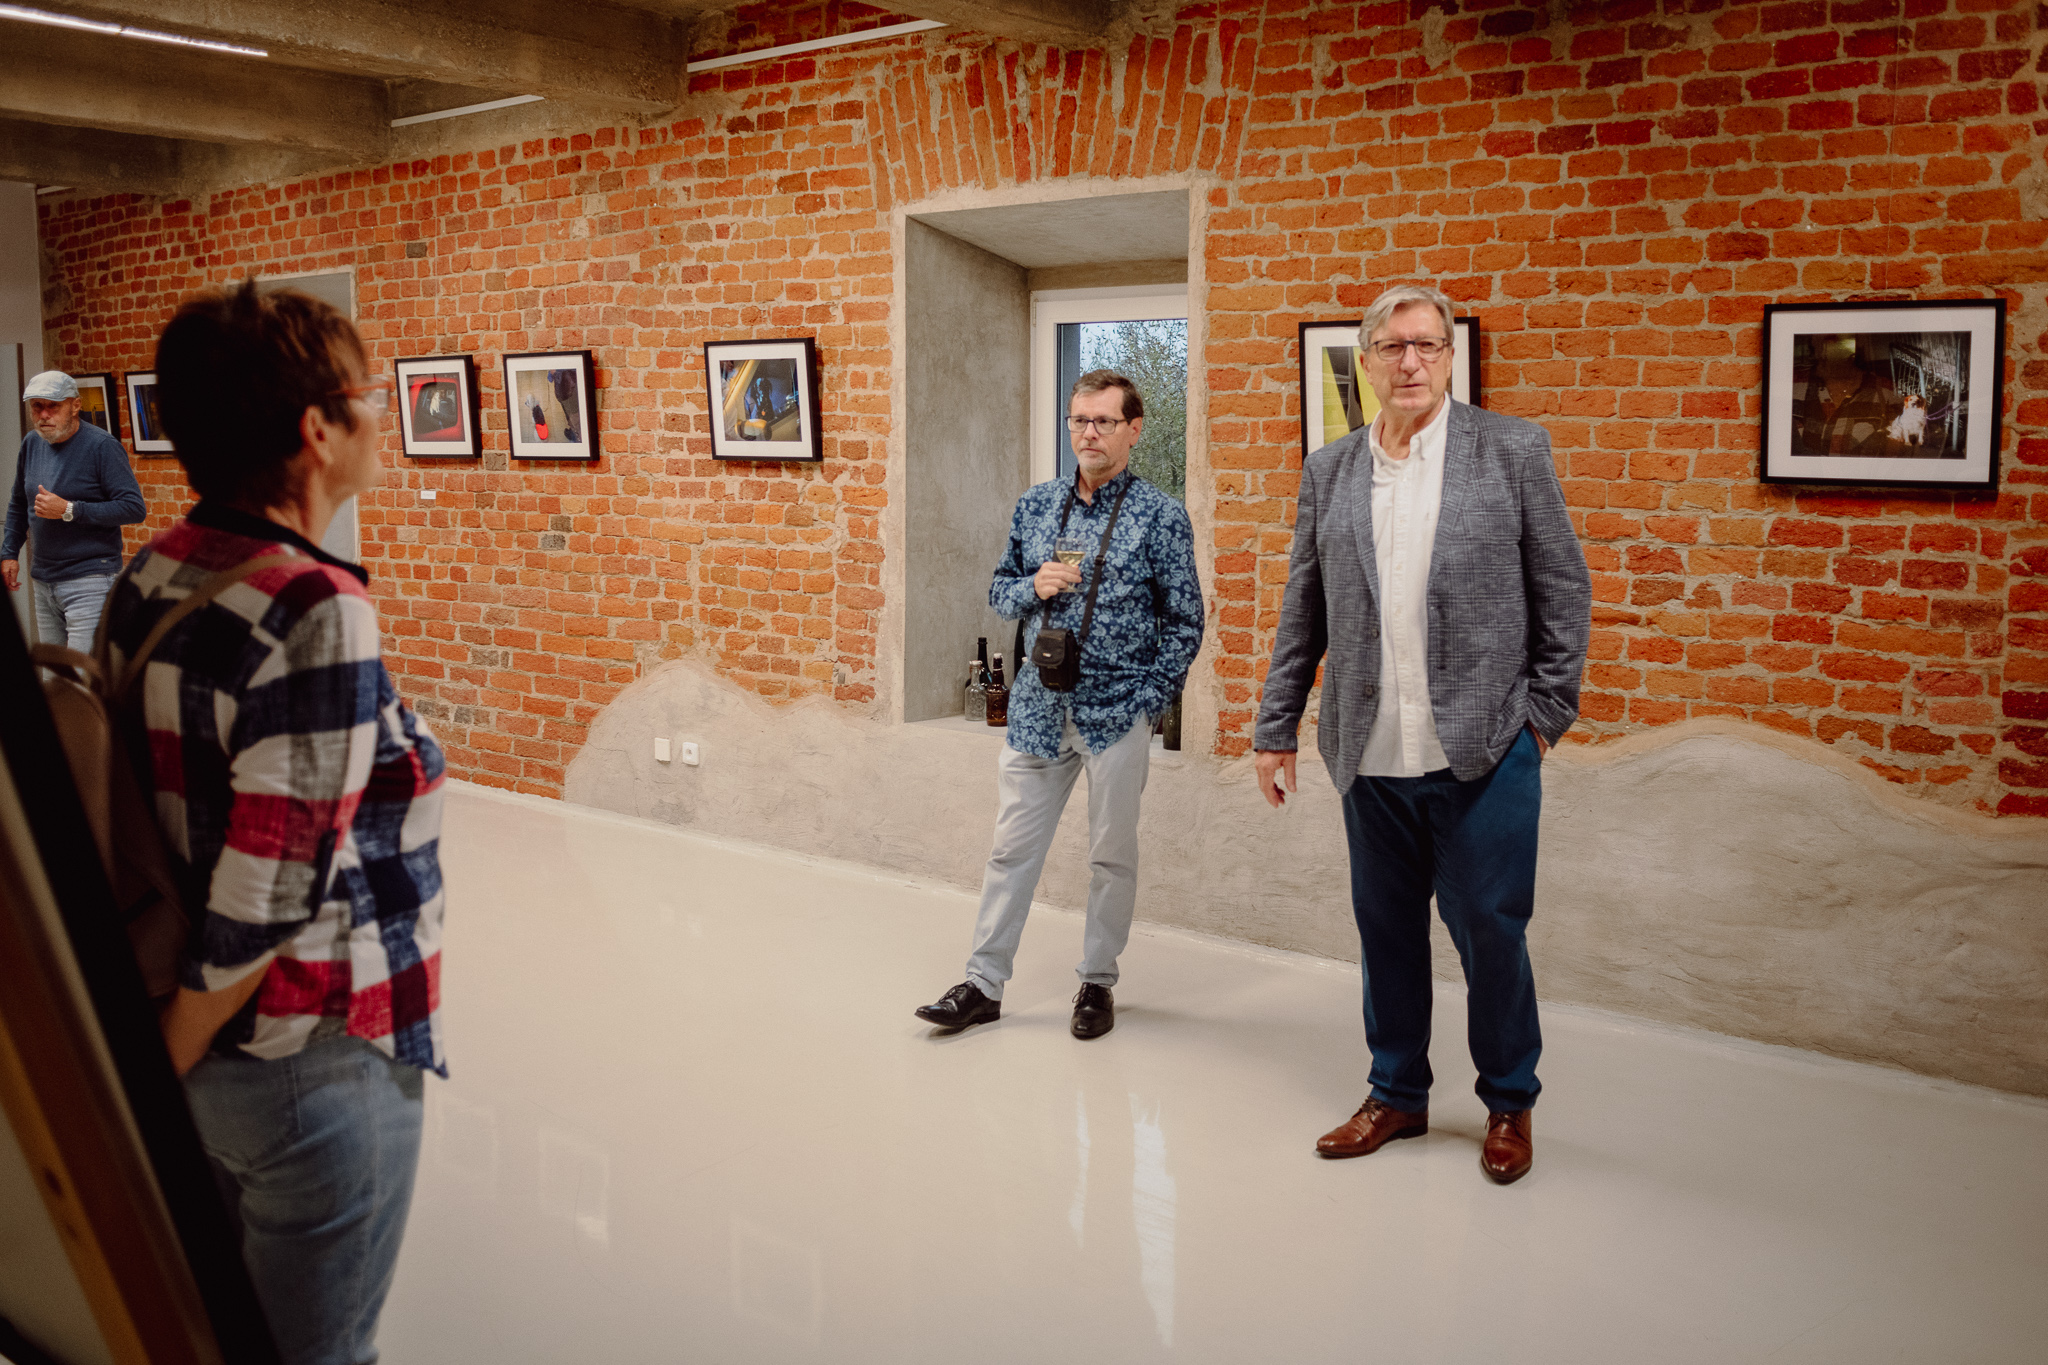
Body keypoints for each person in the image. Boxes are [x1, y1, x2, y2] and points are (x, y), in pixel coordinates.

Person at [100, 281, 446, 1364]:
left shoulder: (153, 572)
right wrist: (165, 1061)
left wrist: (164, 1059)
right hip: (307, 1058)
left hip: (195, 1042)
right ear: (316, 430)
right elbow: (269, 890)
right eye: (369, 394)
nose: (381, 415)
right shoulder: (315, 606)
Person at [1253, 285, 1590, 1185]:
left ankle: (1509, 1100)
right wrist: (1275, 726)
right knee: (1387, 932)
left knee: (1491, 931)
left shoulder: (1511, 449)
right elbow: (1303, 610)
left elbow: (1564, 589)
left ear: (1449, 357)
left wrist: (1543, 719)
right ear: (1366, 360)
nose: (1410, 361)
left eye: (1427, 346)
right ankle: (1397, 1092)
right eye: (1393, 346)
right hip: (1369, 751)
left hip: (1486, 748)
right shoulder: (1330, 471)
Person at [916, 370, 1204, 1040]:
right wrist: (1032, 587)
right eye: (1079, 420)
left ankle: (1097, 982)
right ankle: (982, 984)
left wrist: (1150, 700)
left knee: (1111, 858)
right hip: (1037, 712)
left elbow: (1186, 621)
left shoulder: (1161, 516)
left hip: (1116, 715)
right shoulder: (1036, 505)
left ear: (1134, 429)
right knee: (1009, 852)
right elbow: (999, 590)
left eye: (1104, 421)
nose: (1089, 433)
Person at [2, 370, 148, 650]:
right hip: (43, 580)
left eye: (53, 406)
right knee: (56, 672)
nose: (44, 415)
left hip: (90, 580)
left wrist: (70, 509)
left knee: (83, 671)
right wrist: (9, 553)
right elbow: (19, 502)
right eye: (37, 406)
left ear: (75, 405)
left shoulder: (102, 446)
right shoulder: (32, 443)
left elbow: (133, 508)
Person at [1795, 336, 1906, 457]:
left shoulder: (1890, 394)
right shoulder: (1791, 385)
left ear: (1860, 341)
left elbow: (1896, 458)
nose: (1831, 343)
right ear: (1813, 339)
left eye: (1839, 336)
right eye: (1824, 333)